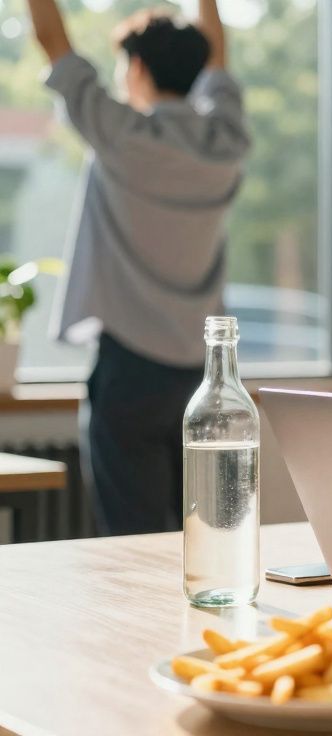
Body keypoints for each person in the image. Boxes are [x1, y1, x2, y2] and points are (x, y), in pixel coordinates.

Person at [25, 0, 250, 535]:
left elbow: (54, 43)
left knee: (130, 538)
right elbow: (218, 60)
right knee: (204, 535)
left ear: (140, 68)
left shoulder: (120, 133)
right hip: (202, 372)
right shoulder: (226, 140)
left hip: (129, 368)